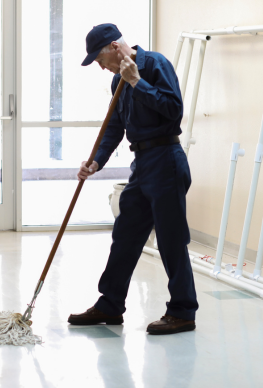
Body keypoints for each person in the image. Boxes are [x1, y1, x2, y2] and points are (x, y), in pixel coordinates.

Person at [68, 23, 198, 335]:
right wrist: (96, 161)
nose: (101, 67)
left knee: (171, 239)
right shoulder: (117, 80)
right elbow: (114, 126)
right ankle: (110, 304)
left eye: (100, 59)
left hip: (166, 159)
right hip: (142, 164)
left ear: (114, 47)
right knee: (125, 233)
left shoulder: (154, 65)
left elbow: (174, 110)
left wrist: (137, 82)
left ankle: (183, 311)